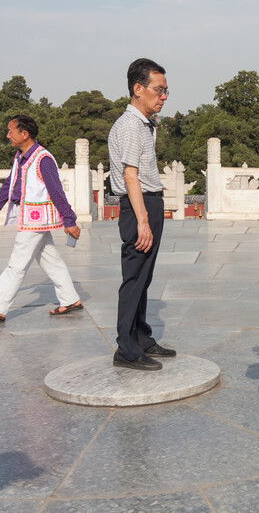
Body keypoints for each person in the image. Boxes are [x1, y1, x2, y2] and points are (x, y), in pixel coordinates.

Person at [0, 115, 82, 322]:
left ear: (25, 134)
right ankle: (70, 299)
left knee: (17, 264)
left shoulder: (43, 159)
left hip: (36, 221)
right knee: (51, 260)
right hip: (31, 218)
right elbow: (8, 187)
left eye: (11, 131)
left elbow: (56, 191)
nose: (8, 135)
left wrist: (69, 220)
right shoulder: (20, 157)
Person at [108, 58, 176, 371]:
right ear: (138, 89)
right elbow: (130, 176)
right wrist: (143, 222)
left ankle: (141, 336)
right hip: (138, 206)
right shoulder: (130, 126)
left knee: (144, 276)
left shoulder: (144, 124)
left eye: (166, 91)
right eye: (158, 90)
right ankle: (126, 348)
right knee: (134, 277)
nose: (163, 96)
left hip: (149, 202)